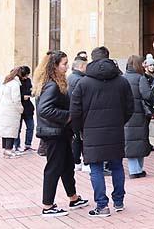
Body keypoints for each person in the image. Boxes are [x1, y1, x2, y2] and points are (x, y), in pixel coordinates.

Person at [70, 46, 135, 218]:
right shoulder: (121, 81)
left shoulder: (83, 82)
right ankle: (119, 201)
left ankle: (102, 205)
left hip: (91, 131)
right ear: (108, 57)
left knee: (96, 168)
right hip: (115, 129)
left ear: (92, 59)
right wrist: (120, 122)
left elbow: (75, 110)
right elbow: (130, 107)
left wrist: (78, 130)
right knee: (117, 166)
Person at [33, 50, 89, 217]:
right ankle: (48, 205)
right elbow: (45, 109)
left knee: (66, 166)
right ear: (54, 66)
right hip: (54, 133)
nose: (66, 67)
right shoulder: (52, 85)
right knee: (54, 168)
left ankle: (73, 197)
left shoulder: (52, 82)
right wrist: (69, 115)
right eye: (64, 64)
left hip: (59, 132)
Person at [124, 55, 154, 178]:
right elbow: (147, 95)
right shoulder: (140, 78)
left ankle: (134, 169)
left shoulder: (123, 78)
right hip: (139, 114)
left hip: (126, 115)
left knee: (130, 141)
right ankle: (137, 170)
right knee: (140, 141)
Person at [0, 67, 24, 158]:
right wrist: (20, 109)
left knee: (5, 130)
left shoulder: (6, 82)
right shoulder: (15, 84)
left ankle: (5, 149)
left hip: (4, 109)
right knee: (11, 131)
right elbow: (16, 99)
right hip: (12, 110)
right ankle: (9, 150)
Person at [67, 55, 89, 172]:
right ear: (81, 66)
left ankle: (76, 161)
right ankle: (85, 162)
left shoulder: (70, 77)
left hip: (72, 114)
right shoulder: (80, 80)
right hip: (80, 114)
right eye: (86, 66)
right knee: (82, 139)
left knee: (76, 139)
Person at [14, 66, 35, 154]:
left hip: (28, 107)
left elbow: (30, 90)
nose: (26, 77)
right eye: (25, 76)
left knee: (31, 126)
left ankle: (28, 145)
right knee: (17, 128)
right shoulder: (16, 81)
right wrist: (23, 97)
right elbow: (15, 95)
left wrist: (32, 92)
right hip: (19, 107)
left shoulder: (28, 80)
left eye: (27, 75)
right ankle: (17, 146)